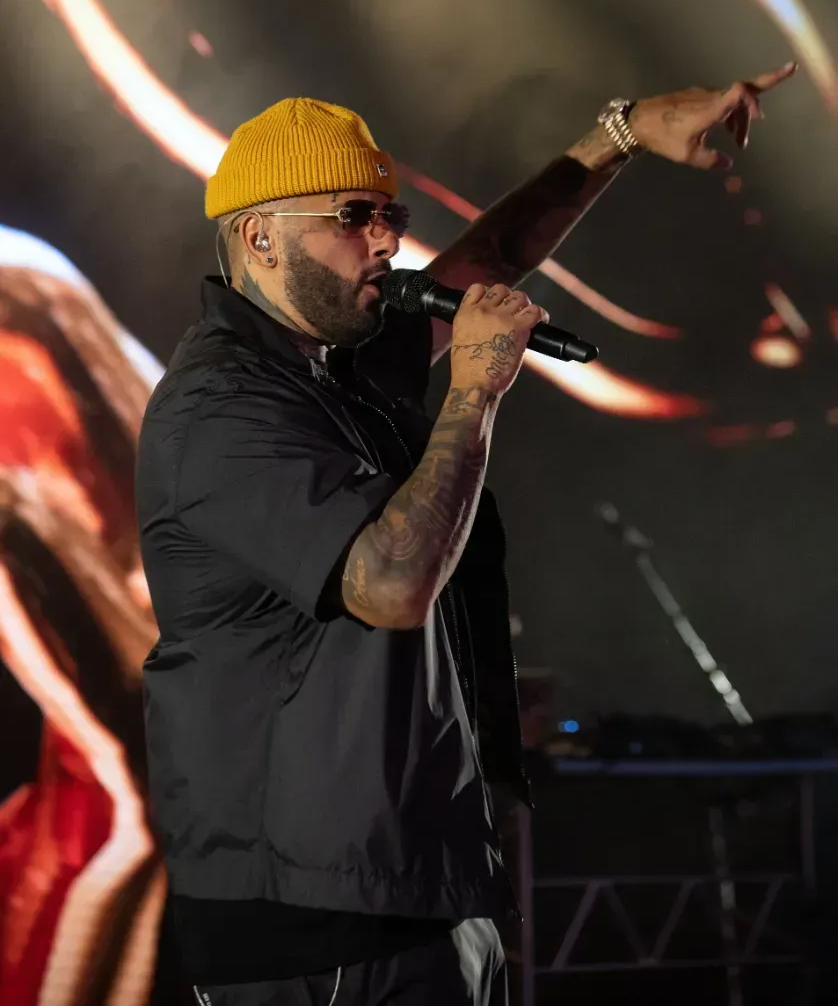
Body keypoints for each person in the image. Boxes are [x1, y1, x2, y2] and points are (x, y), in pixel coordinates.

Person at [137, 67, 795, 1006]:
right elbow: (391, 583)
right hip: (310, 919)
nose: (387, 240)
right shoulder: (222, 407)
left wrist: (619, 135)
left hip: (414, 887)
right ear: (259, 236)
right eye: (353, 215)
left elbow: (490, 256)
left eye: (391, 217)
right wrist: (475, 392)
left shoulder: (337, 367)